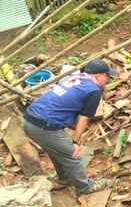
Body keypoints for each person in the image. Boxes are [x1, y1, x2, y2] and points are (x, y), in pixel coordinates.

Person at [22, 59, 116, 194]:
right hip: (43, 125)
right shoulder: (94, 90)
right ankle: (85, 187)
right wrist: (76, 142)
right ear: (99, 75)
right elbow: (84, 119)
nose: (108, 80)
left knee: (57, 150)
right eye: (107, 76)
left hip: (30, 119)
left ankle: (64, 180)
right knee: (72, 154)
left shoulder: (76, 77)